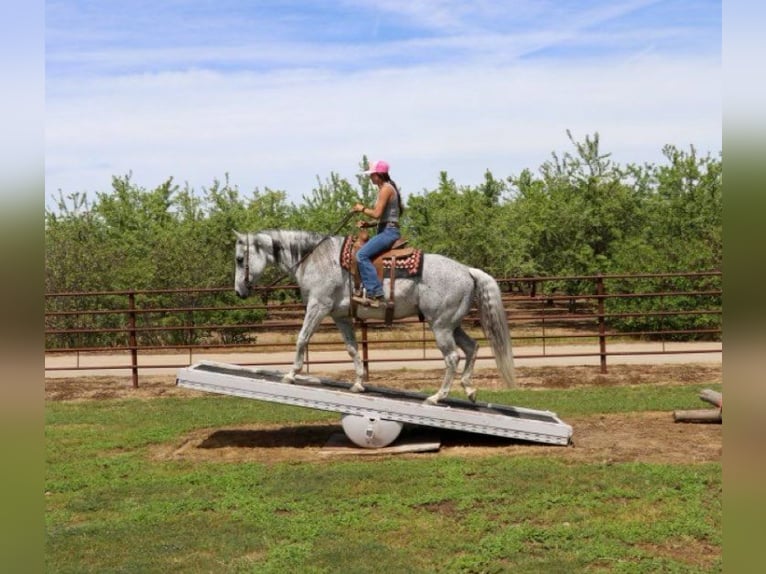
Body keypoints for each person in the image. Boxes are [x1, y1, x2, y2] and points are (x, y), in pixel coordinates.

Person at [351, 159, 404, 307]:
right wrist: (369, 225)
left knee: (361, 255)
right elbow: (384, 217)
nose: (370, 177)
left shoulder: (386, 189)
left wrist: (361, 208)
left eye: (372, 174)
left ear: (378, 175)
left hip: (388, 232)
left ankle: (375, 293)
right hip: (386, 229)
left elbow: (376, 213)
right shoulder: (386, 188)